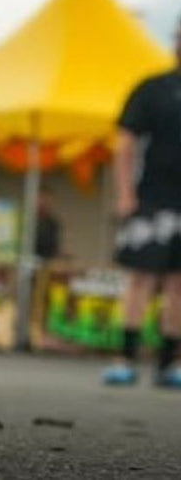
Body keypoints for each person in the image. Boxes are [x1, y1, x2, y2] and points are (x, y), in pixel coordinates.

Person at [103, 21, 181, 388]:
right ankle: (125, 358)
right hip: (151, 200)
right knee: (140, 280)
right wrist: (125, 193)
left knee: (178, 285)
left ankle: (170, 364)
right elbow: (125, 144)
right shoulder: (152, 90)